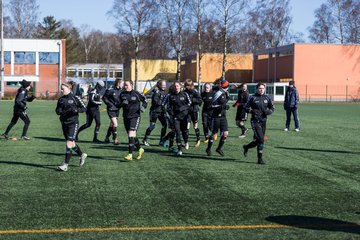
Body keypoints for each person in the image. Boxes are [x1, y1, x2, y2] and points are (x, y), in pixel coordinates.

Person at [55, 81, 87, 171]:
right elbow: (57, 110)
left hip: (73, 123)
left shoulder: (75, 97)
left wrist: (75, 110)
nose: (61, 90)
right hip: (64, 123)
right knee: (72, 144)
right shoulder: (61, 99)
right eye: (61, 89)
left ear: (69, 88)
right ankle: (82, 155)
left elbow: (84, 108)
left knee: (68, 143)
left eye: (63, 89)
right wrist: (60, 111)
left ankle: (65, 165)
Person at [243, 83, 275, 165]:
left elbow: (272, 108)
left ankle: (246, 147)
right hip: (255, 121)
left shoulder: (267, 98)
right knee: (261, 139)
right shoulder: (252, 97)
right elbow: (245, 107)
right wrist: (251, 111)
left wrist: (269, 112)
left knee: (259, 140)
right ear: (257, 89)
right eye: (260, 88)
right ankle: (260, 159)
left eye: (263, 88)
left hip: (263, 121)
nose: (261, 90)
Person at [119, 80, 147, 161]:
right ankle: (140, 149)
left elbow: (145, 100)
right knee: (132, 136)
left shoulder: (136, 94)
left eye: (127, 85)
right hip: (126, 117)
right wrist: (122, 104)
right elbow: (118, 105)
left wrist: (143, 107)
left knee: (131, 134)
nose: (125, 86)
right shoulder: (122, 94)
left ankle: (130, 154)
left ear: (131, 85)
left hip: (135, 116)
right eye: (124, 85)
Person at [205, 79, 230, 157]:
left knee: (225, 133)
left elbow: (225, 101)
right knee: (213, 133)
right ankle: (208, 149)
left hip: (223, 116)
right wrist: (223, 106)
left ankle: (219, 148)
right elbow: (212, 106)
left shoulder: (225, 93)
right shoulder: (218, 93)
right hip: (215, 117)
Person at [168, 81, 191, 156]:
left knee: (185, 132)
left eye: (177, 86)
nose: (176, 87)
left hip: (185, 117)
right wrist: (171, 114)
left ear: (180, 87)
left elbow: (189, 103)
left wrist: (183, 108)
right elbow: (169, 107)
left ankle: (186, 142)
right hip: (176, 118)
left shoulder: (185, 94)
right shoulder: (171, 96)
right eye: (175, 86)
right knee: (177, 133)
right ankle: (179, 149)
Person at [142, 79, 167, 146]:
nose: (164, 86)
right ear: (159, 85)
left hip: (161, 112)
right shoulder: (156, 92)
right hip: (154, 112)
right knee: (152, 126)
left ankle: (162, 141)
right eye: (163, 85)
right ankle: (145, 140)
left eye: (165, 85)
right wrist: (163, 103)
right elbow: (156, 101)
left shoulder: (164, 92)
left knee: (165, 125)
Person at [102, 78, 123, 145]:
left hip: (117, 109)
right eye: (122, 83)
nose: (123, 84)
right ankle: (115, 139)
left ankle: (106, 138)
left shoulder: (121, 90)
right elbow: (104, 97)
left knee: (112, 125)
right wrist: (110, 104)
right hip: (111, 109)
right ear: (118, 83)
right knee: (115, 124)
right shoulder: (111, 89)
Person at [184, 79, 202, 147]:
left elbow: (200, 100)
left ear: (191, 85)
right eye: (186, 85)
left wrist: (191, 100)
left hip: (194, 111)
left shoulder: (195, 91)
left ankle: (198, 139)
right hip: (187, 111)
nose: (187, 87)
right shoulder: (184, 91)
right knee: (187, 127)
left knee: (195, 126)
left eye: (188, 85)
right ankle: (186, 142)